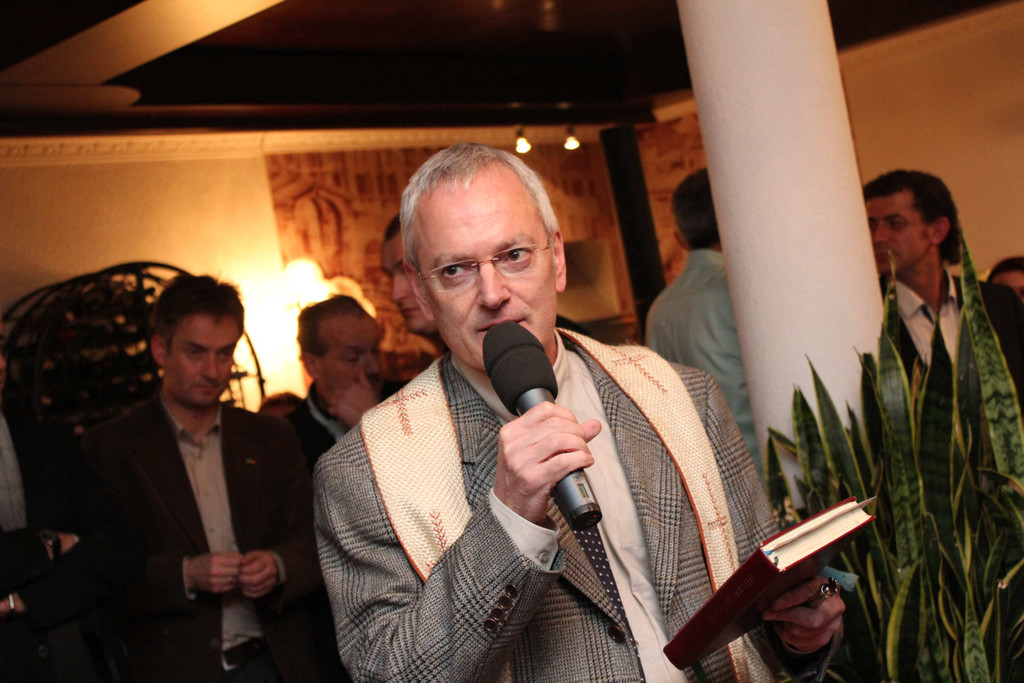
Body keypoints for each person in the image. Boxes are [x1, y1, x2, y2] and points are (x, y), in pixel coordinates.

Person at [314, 143, 843, 682]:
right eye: (455, 269)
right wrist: (509, 520)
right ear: (422, 291)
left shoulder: (683, 396)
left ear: (558, 259)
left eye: (514, 255)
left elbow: (761, 598)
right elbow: (392, 674)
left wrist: (800, 631)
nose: (493, 293)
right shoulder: (363, 473)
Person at [82, 274, 321, 683]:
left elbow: (317, 542)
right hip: (177, 666)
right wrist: (185, 575)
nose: (212, 371)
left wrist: (278, 565)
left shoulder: (271, 436)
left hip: (276, 659)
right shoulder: (111, 447)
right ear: (161, 349)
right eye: (195, 352)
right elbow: (96, 573)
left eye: (224, 353)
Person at [1, 322, 144, 682]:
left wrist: (24, 602)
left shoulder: (47, 441)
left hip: (79, 659)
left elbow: (123, 546)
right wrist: (50, 545)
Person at [865, 170, 1024, 402]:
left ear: (937, 231)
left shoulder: (999, 303)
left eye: (895, 224)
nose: (877, 237)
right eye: (871, 225)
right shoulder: (868, 312)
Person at [645, 168, 759, 471]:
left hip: (704, 480)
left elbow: (661, 411)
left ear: (679, 238)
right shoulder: (745, 291)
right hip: (772, 473)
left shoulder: (660, 310)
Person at [289, 295, 383, 474]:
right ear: (312, 365)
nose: (374, 368)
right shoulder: (287, 437)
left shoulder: (413, 401)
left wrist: (376, 428)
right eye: (353, 357)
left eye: (376, 350)